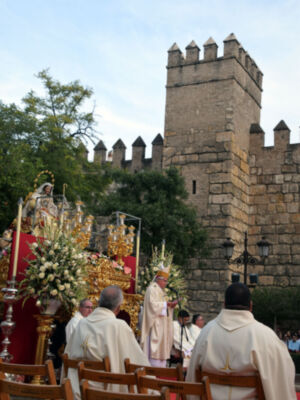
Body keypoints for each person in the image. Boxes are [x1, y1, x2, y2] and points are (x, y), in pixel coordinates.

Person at [186, 283, 297, 400]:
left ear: (224, 305)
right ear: (250, 306)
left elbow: (192, 376)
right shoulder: (266, 336)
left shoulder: (205, 332)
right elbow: (283, 377)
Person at [64, 285, 149, 399]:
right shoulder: (119, 326)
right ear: (118, 308)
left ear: (98, 303)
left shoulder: (81, 324)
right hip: (104, 394)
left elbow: (67, 357)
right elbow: (138, 363)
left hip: (76, 392)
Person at [140, 264, 178, 367]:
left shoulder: (160, 291)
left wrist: (170, 307)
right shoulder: (152, 289)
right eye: (164, 281)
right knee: (153, 350)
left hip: (162, 324)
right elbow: (151, 306)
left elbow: (163, 307)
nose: (166, 283)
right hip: (154, 325)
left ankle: (160, 367)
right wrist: (166, 305)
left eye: (166, 281)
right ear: (158, 279)